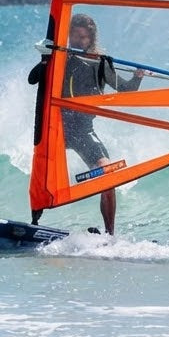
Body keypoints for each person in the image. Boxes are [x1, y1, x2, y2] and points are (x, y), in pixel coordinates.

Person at [61, 13, 143, 236]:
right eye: (75, 36)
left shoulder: (100, 63)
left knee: (108, 176)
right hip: (55, 128)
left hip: (82, 131)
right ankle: (34, 220)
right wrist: (45, 59)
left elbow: (126, 90)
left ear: (91, 38)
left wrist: (137, 77)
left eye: (84, 37)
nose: (79, 41)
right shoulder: (60, 58)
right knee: (42, 176)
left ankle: (109, 234)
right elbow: (33, 79)